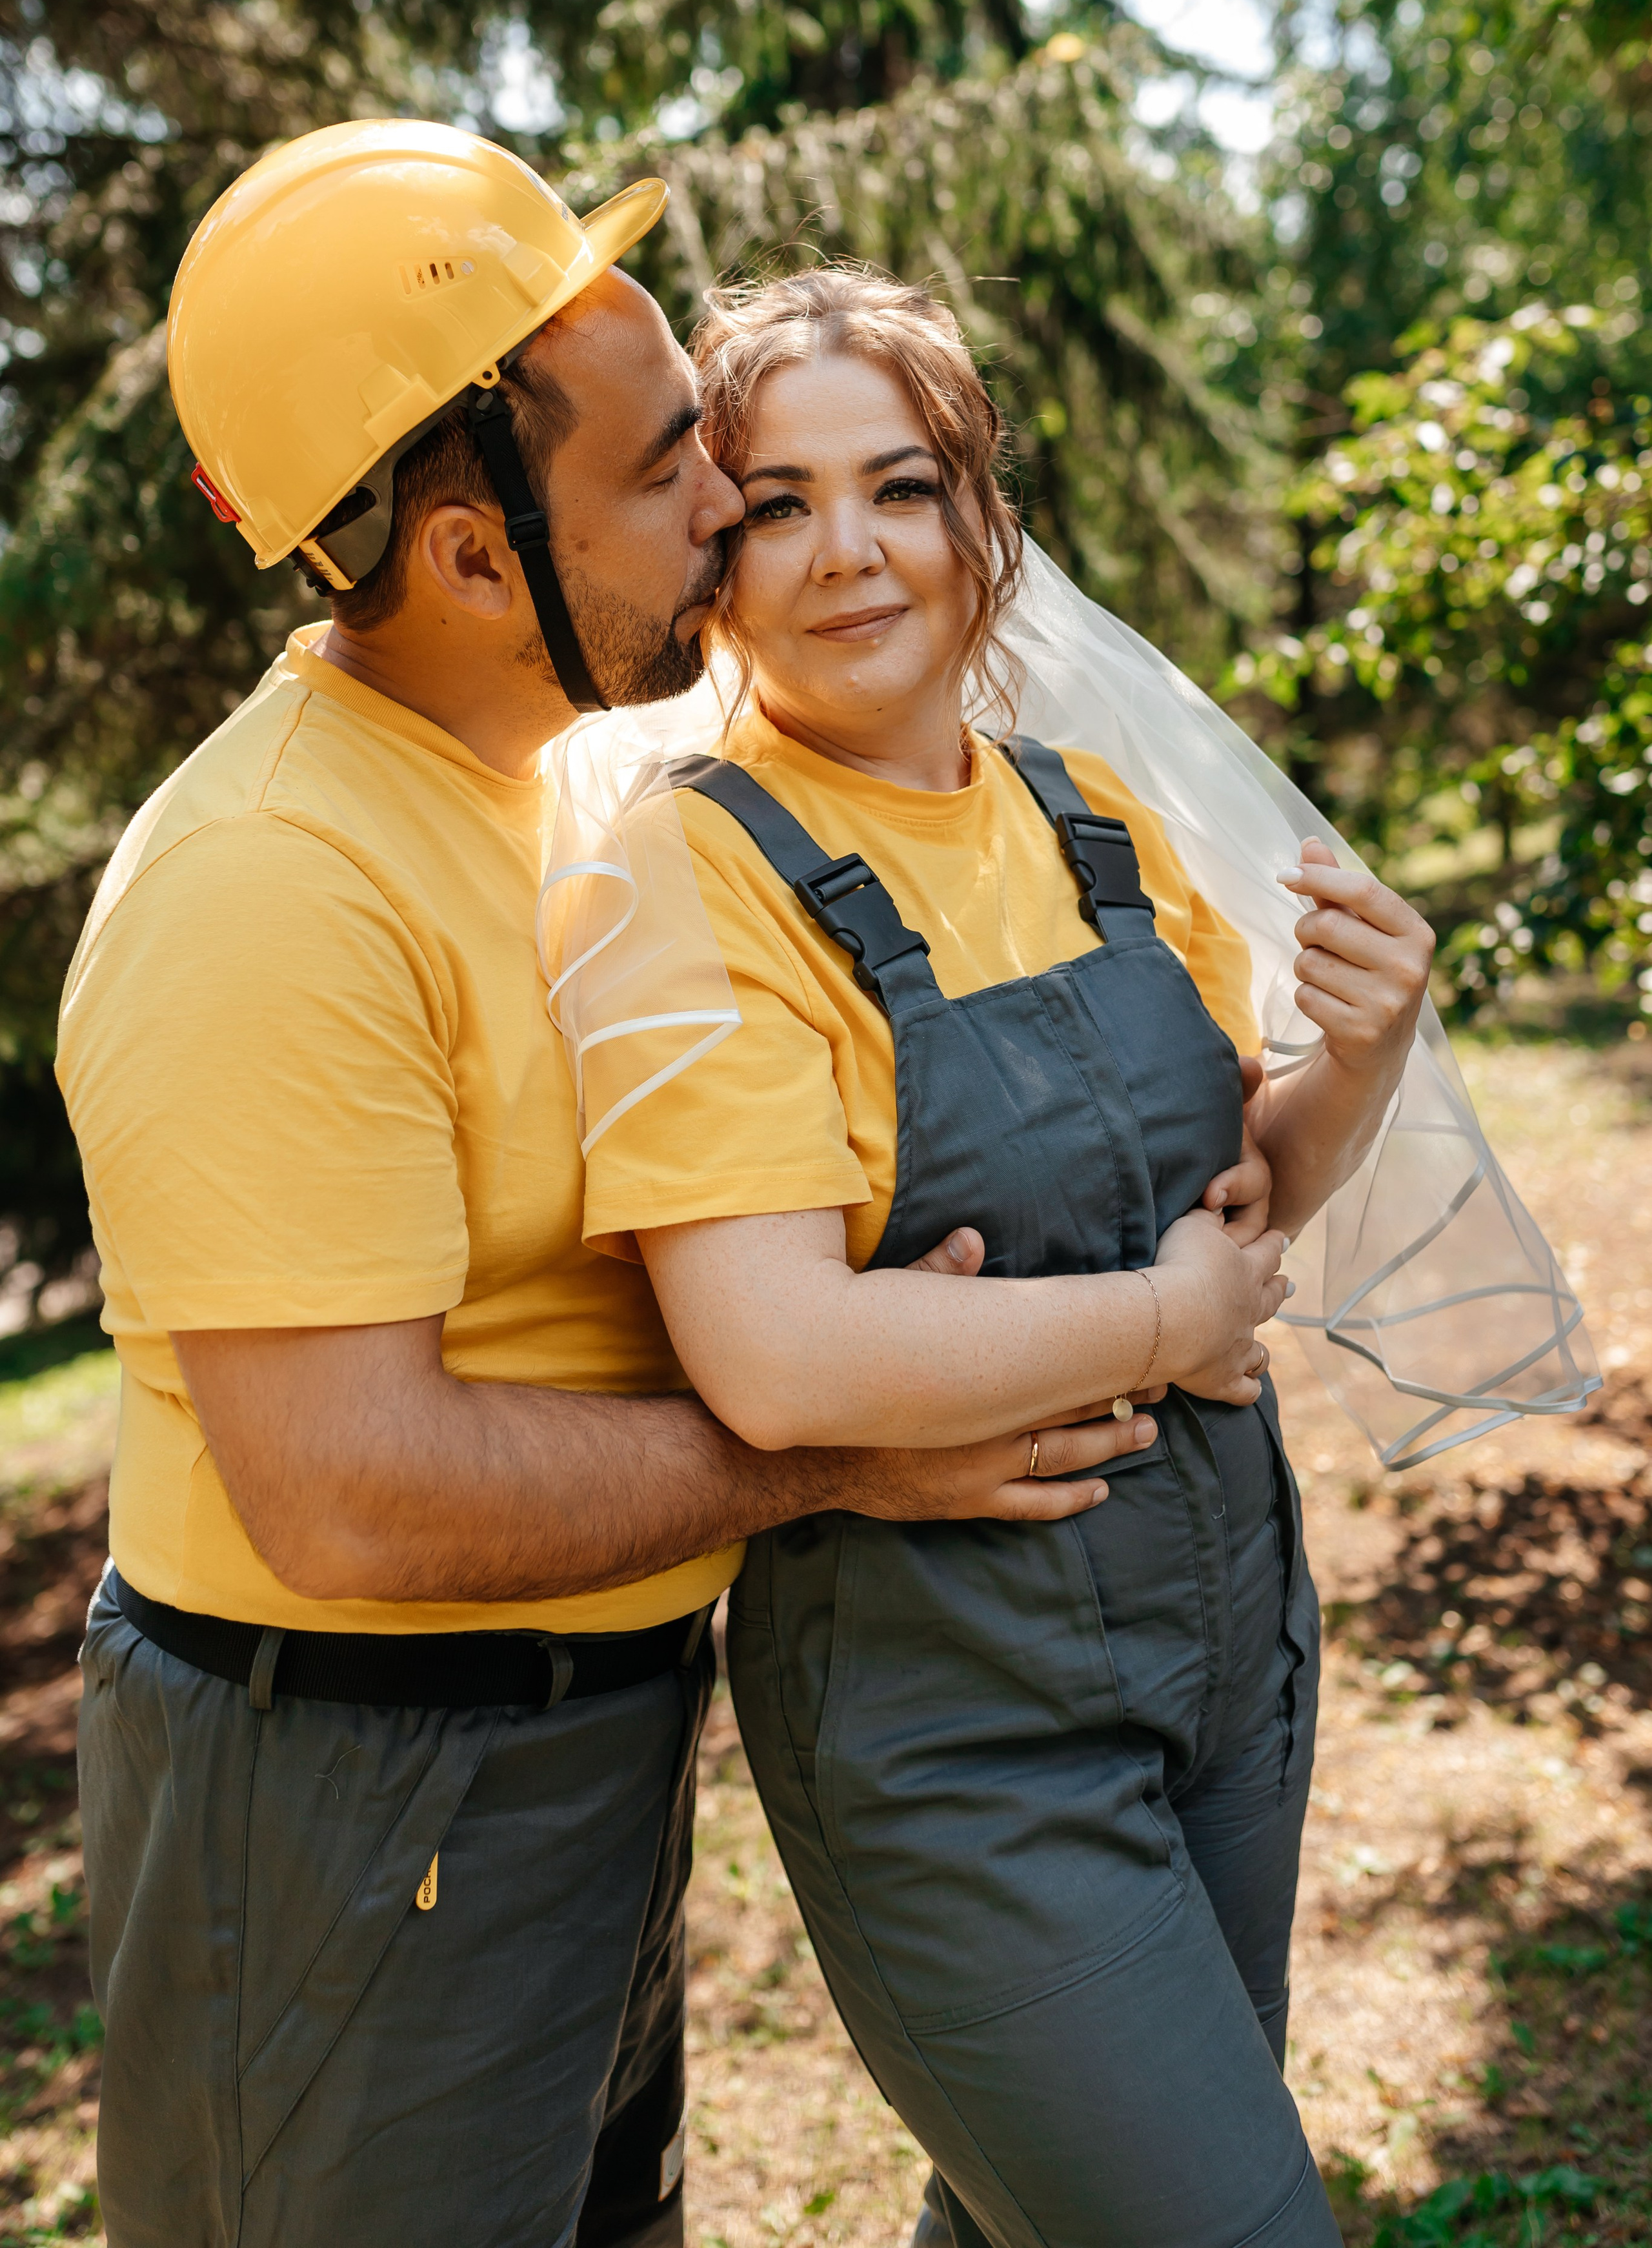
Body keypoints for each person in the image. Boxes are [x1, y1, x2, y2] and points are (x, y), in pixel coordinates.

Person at [55, 130, 1156, 2248]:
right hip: (350, 1795)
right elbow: (353, 1489)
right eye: (668, 469)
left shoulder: (561, 771)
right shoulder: (268, 890)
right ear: (473, 555)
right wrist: (836, 1461)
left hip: (567, 1749)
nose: (727, 503)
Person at [578, 267, 1436, 2248]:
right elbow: (778, 1358)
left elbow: (1237, 1200)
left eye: (903, 485)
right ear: (712, 553)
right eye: (779, 500)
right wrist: (1158, 1320)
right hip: (961, 1733)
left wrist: (1362, 1058)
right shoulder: (680, 875)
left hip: (1234, 1646)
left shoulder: (1091, 818)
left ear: (987, 522)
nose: (851, 552)